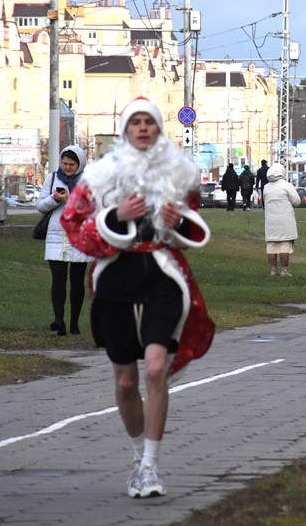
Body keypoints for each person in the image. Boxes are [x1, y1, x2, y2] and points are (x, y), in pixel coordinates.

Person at [62, 97, 215, 499]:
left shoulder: (181, 172)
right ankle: (136, 456)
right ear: (126, 130)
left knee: (153, 369)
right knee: (127, 380)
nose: (143, 129)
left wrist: (176, 221)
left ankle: (150, 465)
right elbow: (73, 224)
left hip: (161, 274)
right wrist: (117, 217)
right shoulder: (99, 176)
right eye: (136, 123)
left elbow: (191, 220)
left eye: (150, 122)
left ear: (159, 128)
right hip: (116, 277)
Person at [37, 145, 92, 336]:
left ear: (80, 164)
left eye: (72, 164)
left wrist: (69, 200)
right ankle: (58, 321)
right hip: (56, 236)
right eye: (65, 163)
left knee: (77, 282)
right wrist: (54, 198)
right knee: (58, 279)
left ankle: (74, 323)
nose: (67, 167)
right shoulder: (53, 178)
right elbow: (40, 206)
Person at [262, 163, 301, 276]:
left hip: (270, 221)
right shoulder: (286, 185)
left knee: (271, 246)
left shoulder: (266, 187)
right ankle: (284, 270)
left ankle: (273, 270)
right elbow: (296, 201)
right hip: (285, 220)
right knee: (285, 245)